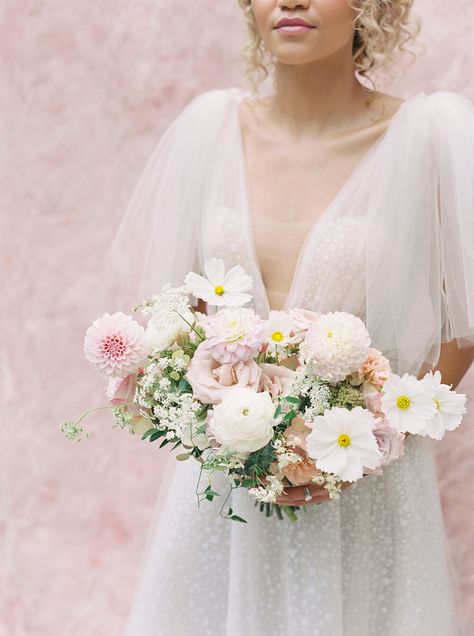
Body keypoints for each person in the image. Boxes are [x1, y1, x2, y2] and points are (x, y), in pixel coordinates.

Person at [111, 1, 474, 634]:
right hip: (229, 480)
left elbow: (462, 321)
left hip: (368, 477)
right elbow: (179, 314)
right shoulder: (209, 130)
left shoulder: (429, 136)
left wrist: (368, 443)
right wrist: (221, 433)